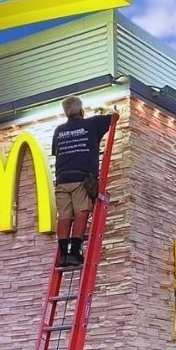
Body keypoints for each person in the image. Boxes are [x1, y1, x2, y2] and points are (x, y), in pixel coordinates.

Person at [52, 96, 117, 267]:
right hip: (81, 177)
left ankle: (63, 255)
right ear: (81, 110)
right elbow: (114, 117)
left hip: (62, 179)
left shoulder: (59, 130)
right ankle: (74, 252)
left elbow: (56, 152)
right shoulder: (92, 124)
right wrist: (107, 109)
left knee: (64, 215)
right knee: (82, 211)